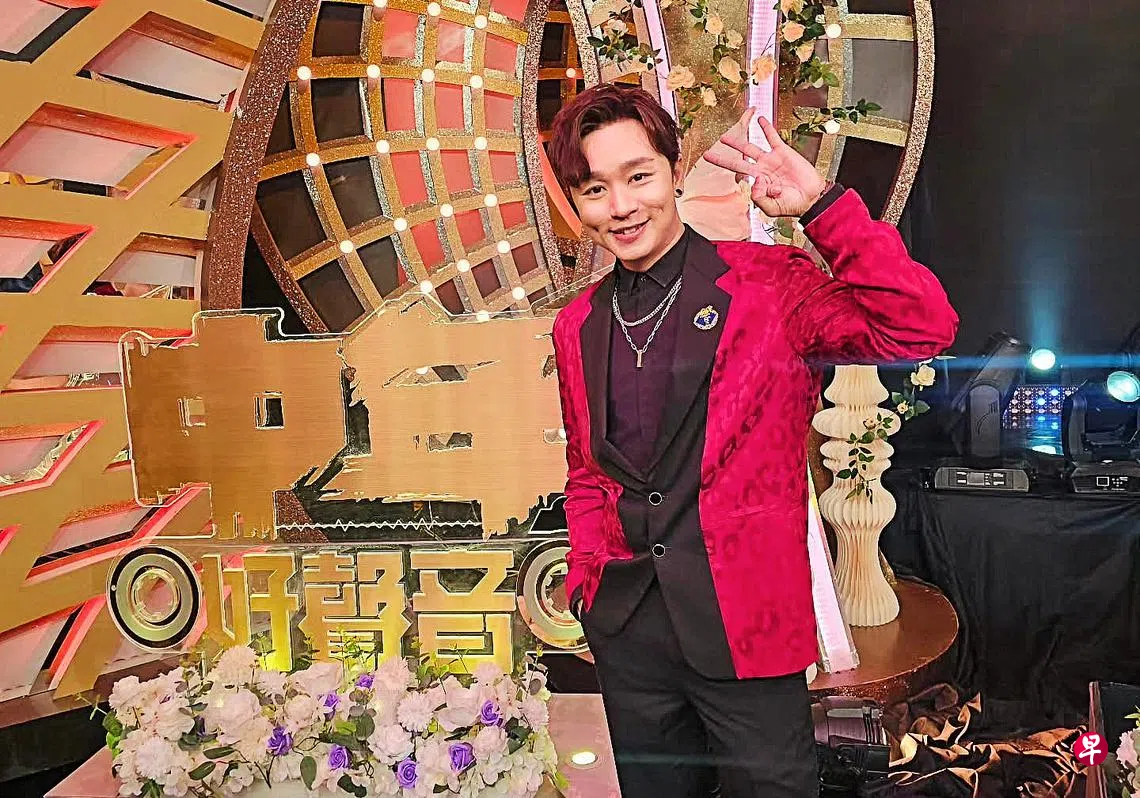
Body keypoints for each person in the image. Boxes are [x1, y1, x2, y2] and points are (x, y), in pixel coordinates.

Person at [546, 83, 958, 798]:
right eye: (595, 189)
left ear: (675, 171)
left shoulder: (769, 287)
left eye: (638, 176)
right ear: (577, 203)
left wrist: (822, 207)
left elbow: (922, 325)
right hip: (630, 630)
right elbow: (587, 468)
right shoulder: (577, 323)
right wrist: (591, 581)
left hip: (745, 624)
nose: (621, 206)